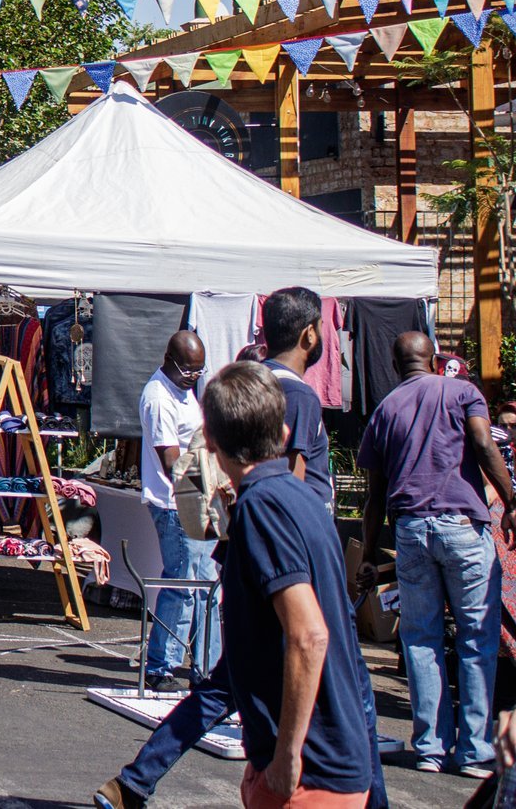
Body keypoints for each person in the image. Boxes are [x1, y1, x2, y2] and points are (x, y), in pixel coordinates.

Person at [204, 360, 378, 808]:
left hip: (312, 770)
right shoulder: (301, 496)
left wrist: (287, 754)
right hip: (329, 758)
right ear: (283, 435)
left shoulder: (262, 506)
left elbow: (309, 634)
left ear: (210, 442)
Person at [357, 330, 516, 778]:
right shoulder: (463, 391)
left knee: (421, 640)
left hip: (410, 530)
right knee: (475, 638)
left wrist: (369, 554)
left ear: (394, 363)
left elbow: (375, 494)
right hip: (463, 526)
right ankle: (475, 752)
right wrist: (512, 501)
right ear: (433, 359)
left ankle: (430, 749)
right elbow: (484, 446)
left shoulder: (385, 409)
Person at [138, 329, 214, 691]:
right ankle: (161, 666)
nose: (194, 378)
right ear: (169, 361)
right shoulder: (158, 397)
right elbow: (171, 462)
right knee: (183, 586)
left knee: (208, 589)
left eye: (200, 371)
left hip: (199, 500)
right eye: (189, 371)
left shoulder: (182, 390)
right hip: (177, 503)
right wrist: (201, 497)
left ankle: (206, 668)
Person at [260, 287, 334, 503]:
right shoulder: (297, 394)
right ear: (309, 334)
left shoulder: (254, 379)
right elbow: (293, 474)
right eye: (321, 327)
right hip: (297, 523)